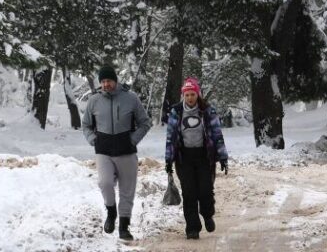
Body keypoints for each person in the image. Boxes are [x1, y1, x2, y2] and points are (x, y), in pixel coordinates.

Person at [82, 65, 152, 241]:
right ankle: (111, 211)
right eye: (103, 81)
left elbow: (145, 122)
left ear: (115, 80)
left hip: (126, 151)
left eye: (109, 81)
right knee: (104, 183)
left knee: (127, 191)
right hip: (103, 150)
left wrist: (133, 139)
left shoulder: (130, 98)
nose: (106, 84)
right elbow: (86, 125)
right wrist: (93, 139)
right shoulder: (94, 101)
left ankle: (124, 227)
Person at [164, 77, 229, 240]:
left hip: (204, 156)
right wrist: (168, 159)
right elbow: (170, 137)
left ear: (197, 94)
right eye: (187, 95)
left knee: (205, 190)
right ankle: (192, 228)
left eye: (193, 94)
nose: (190, 98)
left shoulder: (207, 110)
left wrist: (222, 156)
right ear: (183, 96)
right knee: (189, 192)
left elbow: (216, 134)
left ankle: (207, 214)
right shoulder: (176, 111)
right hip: (184, 157)